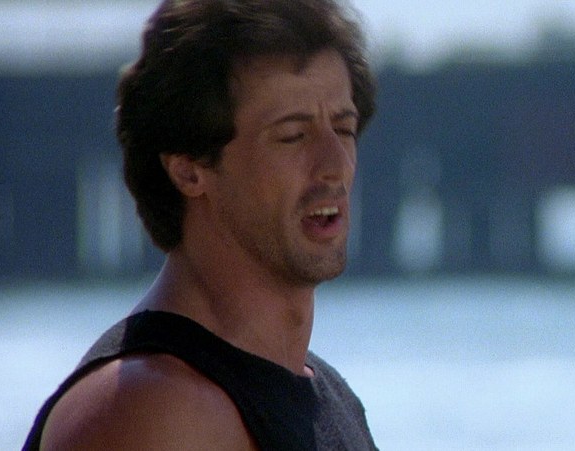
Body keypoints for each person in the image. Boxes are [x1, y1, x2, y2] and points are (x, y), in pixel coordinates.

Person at [23, 0, 378, 449]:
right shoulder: (151, 413)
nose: (335, 165)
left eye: (344, 129)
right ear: (189, 169)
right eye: (293, 135)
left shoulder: (326, 395)